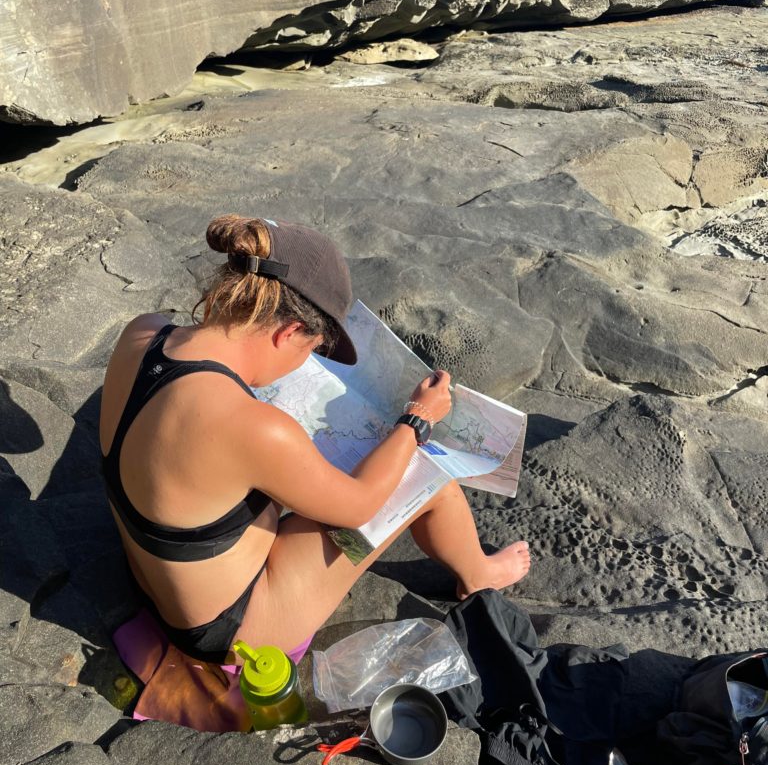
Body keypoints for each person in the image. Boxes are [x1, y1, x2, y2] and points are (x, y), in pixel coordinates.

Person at [99, 214, 531, 664]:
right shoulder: (252, 427)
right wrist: (418, 420)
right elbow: (360, 504)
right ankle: (478, 574)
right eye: (310, 350)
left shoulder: (143, 331)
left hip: (153, 578)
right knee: (426, 476)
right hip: (232, 628)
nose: (305, 361)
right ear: (288, 333)